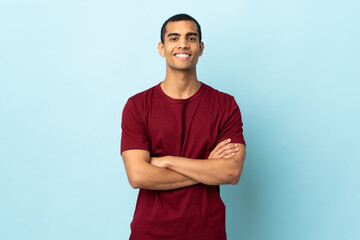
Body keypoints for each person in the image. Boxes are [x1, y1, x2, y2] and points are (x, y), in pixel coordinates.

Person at [121, 13, 246, 240]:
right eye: (174, 38)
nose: (182, 44)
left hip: (207, 232)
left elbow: (231, 171)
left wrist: (168, 161)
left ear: (200, 47)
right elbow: (138, 176)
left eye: (191, 38)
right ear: (161, 48)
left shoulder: (225, 104)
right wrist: (207, 168)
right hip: (150, 233)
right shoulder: (137, 106)